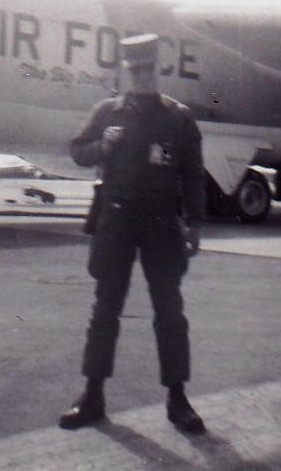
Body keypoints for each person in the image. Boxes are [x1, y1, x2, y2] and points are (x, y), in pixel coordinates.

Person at [58, 33, 206, 433]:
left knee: (169, 312)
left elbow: (192, 175)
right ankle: (92, 396)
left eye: (148, 69)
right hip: (117, 220)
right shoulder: (107, 111)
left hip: (161, 223)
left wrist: (194, 223)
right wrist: (102, 148)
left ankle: (178, 401)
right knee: (105, 308)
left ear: (158, 69)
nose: (142, 76)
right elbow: (77, 149)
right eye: (134, 70)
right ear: (126, 72)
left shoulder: (178, 117)